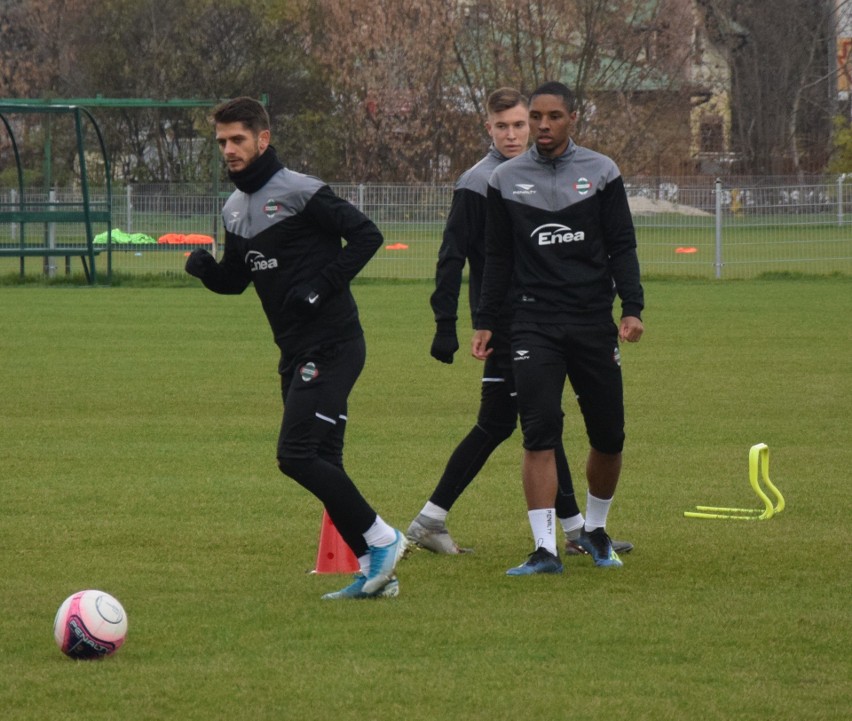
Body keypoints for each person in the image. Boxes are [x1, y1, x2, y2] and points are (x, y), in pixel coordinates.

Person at [185, 96, 406, 600]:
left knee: (295, 454)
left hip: (334, 343)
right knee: (324, 456)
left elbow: (367, 237)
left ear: (263, 139)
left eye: (237, 139)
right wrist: (207, 273)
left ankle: (383, 540)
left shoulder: (302, 191)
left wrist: (320, 288)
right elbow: (238, 281)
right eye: (221, 142)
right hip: (294, 350)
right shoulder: (235, 210)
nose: (229, 150)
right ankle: (378, 573)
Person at [407, 87, 633, 563]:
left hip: (554, 320)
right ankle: (436, 519)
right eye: (505, 125)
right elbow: (458, 257)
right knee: (516, 423)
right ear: (488, 128)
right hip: (513, 325)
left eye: (520, 124)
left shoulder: (574, 171)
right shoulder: (480, 182)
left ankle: (575, 529)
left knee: (533, 422)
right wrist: (450, 322)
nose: (516, 133)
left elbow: (619, 244)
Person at [472, 81, 644, 575]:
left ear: (573, 118)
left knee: (609, 437)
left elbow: (622, 245)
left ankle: (595, 528)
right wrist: (485, 321)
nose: (543, 126)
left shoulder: (602, 172)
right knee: (539, 434)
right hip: (532, 323)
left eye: (553, 117)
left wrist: (632, 307)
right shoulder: (504, 179)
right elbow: (497, 258)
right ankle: (544, 549)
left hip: (592, 321)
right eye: (537, 118)